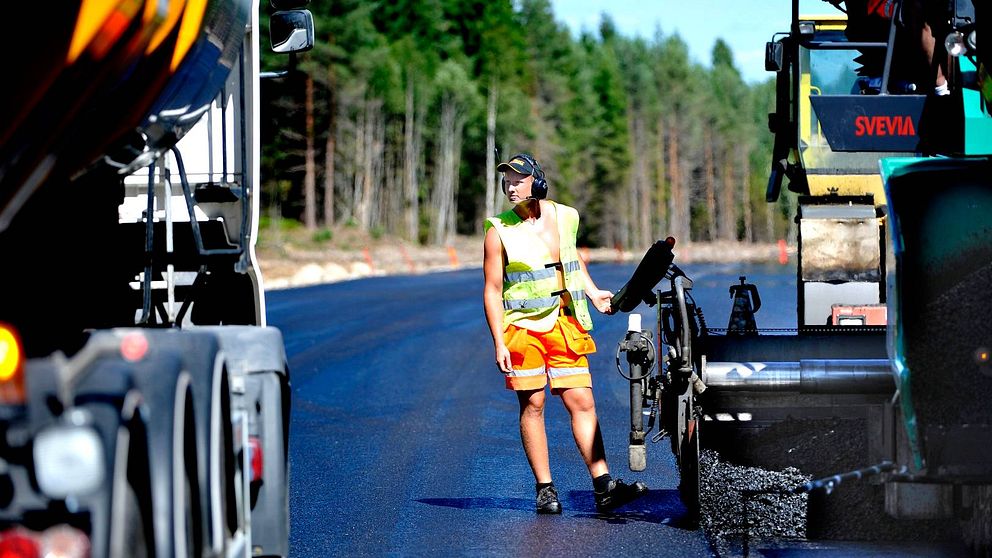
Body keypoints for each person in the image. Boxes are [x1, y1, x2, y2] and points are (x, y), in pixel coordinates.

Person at [482, 153, 648, 515]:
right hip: (521, 328)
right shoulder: (499, 232)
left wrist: (592, 291)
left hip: (563, 323)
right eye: (506, 181)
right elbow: (493, 289)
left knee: (582, 401)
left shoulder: (565, 216)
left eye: (518, 180)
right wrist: (498, 341)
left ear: (537, 181)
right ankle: (545, 489)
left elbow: (572, 258)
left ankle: (603, 485)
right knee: (534, 404)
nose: (511, 187)